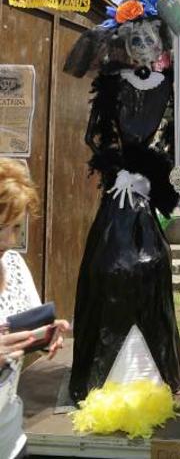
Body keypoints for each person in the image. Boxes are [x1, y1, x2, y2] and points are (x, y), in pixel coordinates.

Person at [63, 0, 180, 407]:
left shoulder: (172, 87)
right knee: (110, 268)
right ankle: (104, 370)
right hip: (117, 198)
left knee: (150, 269)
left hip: (149, 198)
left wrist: (160, 180)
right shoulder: (112, 84)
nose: (143, 46)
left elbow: (177, 142)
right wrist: (117, 168)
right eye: (136, 39)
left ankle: (152, 370)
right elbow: (95, 135)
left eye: (150, 38)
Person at [0, 158, 69, 459]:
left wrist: (46, 336)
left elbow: (27, 328)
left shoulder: (13, 265)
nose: (7, 240)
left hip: (11, 440)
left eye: (14, 227)